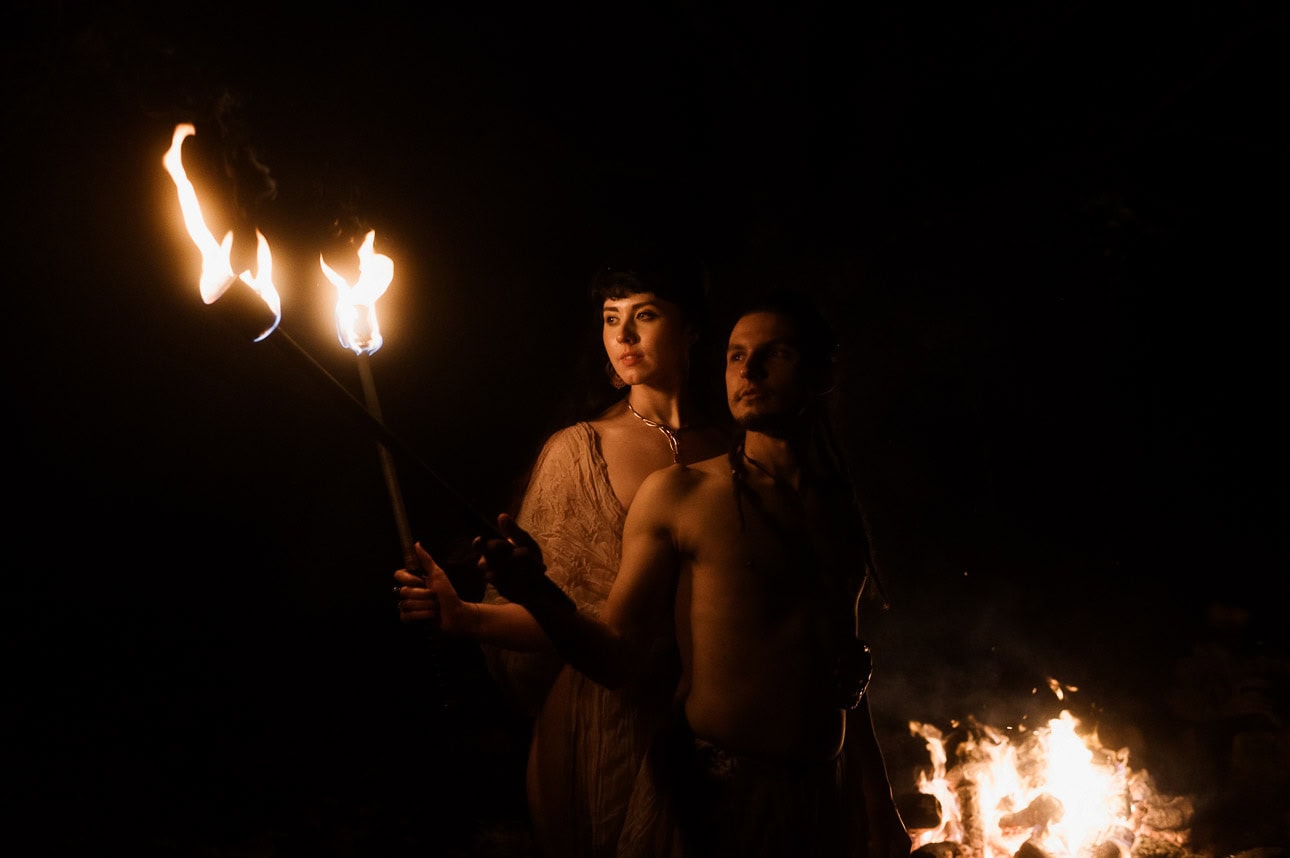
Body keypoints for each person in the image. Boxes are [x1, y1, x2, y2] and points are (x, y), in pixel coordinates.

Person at [456, 287, 912, 857]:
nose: (750, 368)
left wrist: (878, 803)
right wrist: (533, 592)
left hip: (822, 793)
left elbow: (841, 669)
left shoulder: (836, 510)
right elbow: (616, 652)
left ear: (819, 374)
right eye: (737, 355)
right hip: (715, 799)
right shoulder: (684, 493)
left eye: (776, 354)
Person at [394, 252, 730, 858]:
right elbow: (558, 618)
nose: (622, 336)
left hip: (718, 724)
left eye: (644, 315)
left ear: (692, 329)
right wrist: (465, 616)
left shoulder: (735, 447)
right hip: (606, 726)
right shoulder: (579, 452)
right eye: (610, 318)